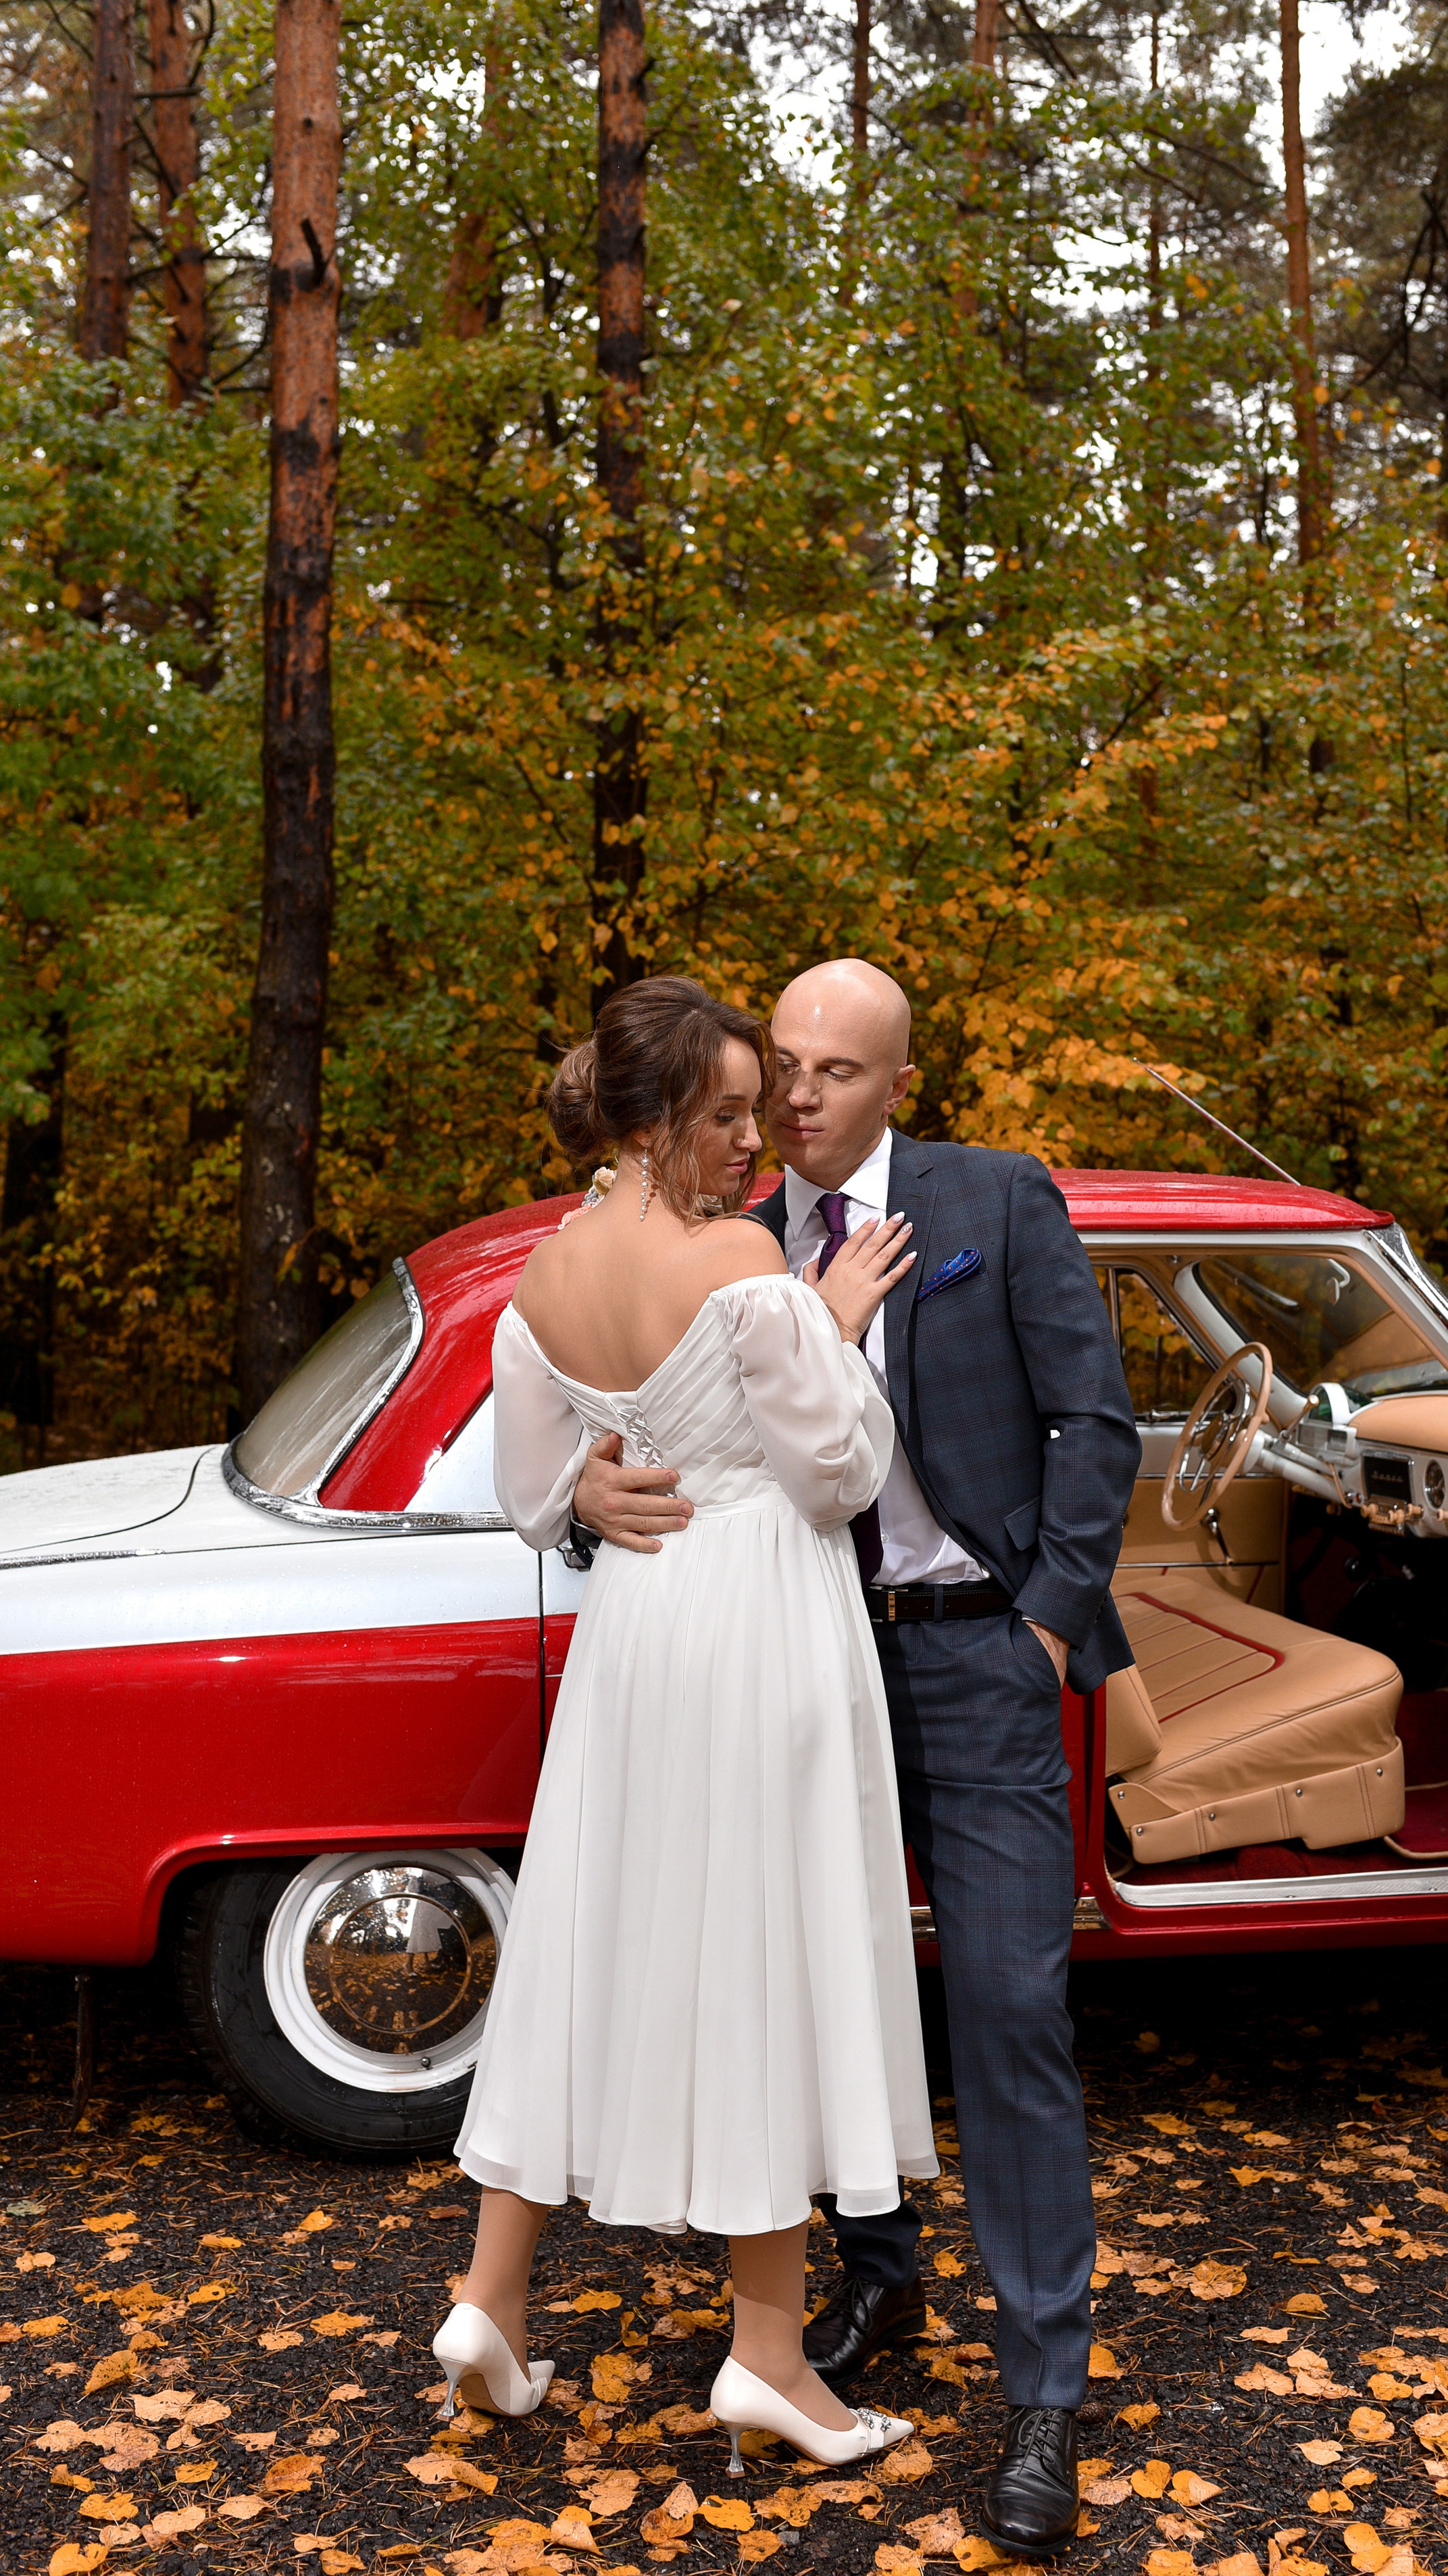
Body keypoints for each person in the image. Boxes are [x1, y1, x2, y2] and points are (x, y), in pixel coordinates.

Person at [572, 959, 1142, 2555]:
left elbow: (1093, 1422)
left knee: (1010, 2010)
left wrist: (1044, 1623)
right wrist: (581, 1503)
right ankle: (879, 2283)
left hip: (973, 1657)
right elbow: (613, 1420)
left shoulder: (992, 1199)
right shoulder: (722, 1231)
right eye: (783, 1066)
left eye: (835, 1070)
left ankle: (1043, 2392)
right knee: (805, 1987)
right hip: (784, 1658)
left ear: (897, 1083)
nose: (798, 1095)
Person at [435, 974, 939, 2478]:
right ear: (650, 1120)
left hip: (638, 1639)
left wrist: (594, 1486)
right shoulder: (746, 1262)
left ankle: (488, 2301)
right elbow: (836, 1474)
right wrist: (834, 1323)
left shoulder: (543, 1275)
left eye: (753, 1110)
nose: (752, 1140)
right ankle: (769, 2360)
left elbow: (533, 1499)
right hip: (760, 1619)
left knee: (596, 1939)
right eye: (724, 1114)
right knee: (760, 1954)